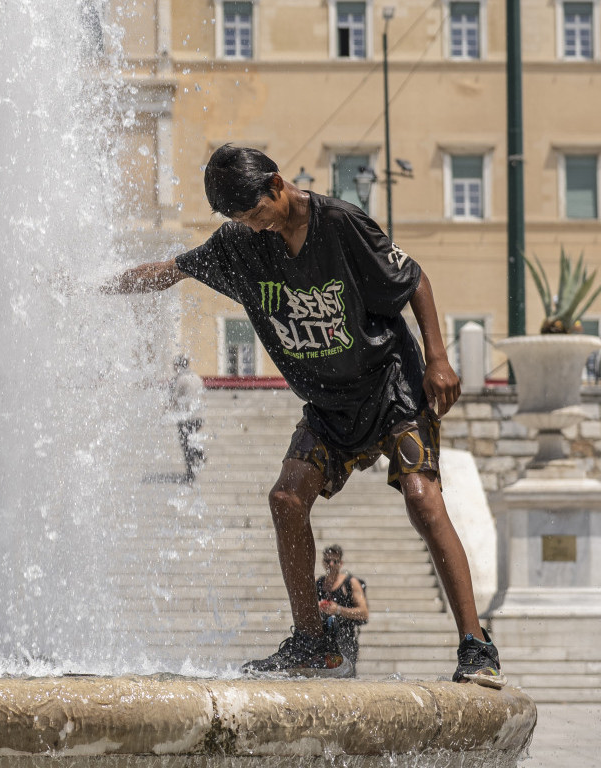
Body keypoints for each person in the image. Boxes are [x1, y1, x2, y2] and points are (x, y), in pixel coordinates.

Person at [101, 144, 505, 687]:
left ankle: (476, 647)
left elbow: (416, 281)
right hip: (328, 405)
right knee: (286, 499)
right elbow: (171, 270)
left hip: (390, 385)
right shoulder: (240, 246)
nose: (256, 228)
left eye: (257, 213)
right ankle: (313, 643)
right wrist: (91, 286)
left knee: (422, 498)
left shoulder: (339, 223)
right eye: (242, 220)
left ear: (276, 184)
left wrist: (437, 358)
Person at [316, 544, 368, 674]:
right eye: (328, 561)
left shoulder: (351, 583)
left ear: (341, 563)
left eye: (335, 561)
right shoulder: (318, 583)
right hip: (323, 641)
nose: (331, 564)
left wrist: (338, 610)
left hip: (346, 640)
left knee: (346, 676)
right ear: (323, 562)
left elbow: (364, 613)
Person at [168, 356, 206, 483]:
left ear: (178, 366)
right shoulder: (196, 377)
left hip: (186, 418)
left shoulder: (181, 379)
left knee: (186, 446)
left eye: (175, 365)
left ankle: (191, 472)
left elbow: (174, 398)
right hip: (199, 417)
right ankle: (199, 454)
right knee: (191, 441)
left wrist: (166, 412)